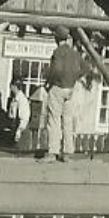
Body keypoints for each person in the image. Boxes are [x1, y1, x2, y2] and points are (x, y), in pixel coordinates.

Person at [41, 26, 85, 161]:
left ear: (56, 38)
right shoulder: (74, 53)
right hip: (71, 88)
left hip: (58, 87)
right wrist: (73, 80)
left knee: (54, 120)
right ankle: (67, 152)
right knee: (68, 120)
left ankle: (53, 151)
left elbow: (56, 70)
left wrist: (49, 81)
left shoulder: (58, 52)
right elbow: (84, 68)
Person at [2, 79, 31, 150]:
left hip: (20, 129)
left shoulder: (22, 100)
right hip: (13, 127)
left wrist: (19, 131)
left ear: (14, 86)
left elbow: (24, 118)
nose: (10, 88)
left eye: (11, 86)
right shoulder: (14, 99)